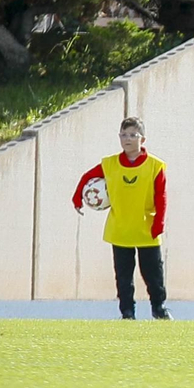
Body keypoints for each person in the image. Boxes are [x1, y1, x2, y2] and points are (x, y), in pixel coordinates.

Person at [72, 117, 170, 320]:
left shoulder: (155, 166)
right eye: (124, 135)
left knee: (153, 273)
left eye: (133, 135)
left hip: (146, 229)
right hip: (120, 228)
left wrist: (159, 222)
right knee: (123, 276)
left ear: (143, 139)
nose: (128, 139)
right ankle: (127, 312)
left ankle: (159, 308)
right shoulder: (110, 164)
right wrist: (77, 197)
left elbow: (161, 196)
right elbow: (86, 178)